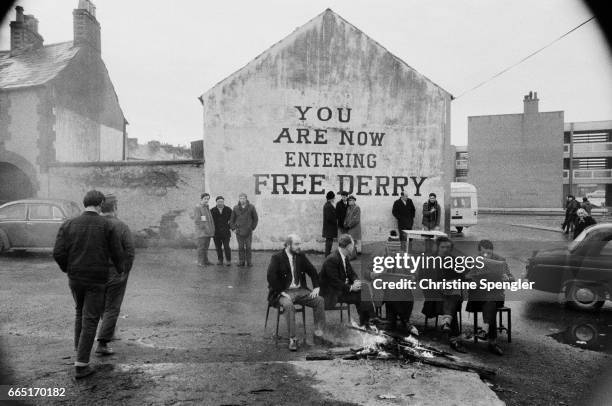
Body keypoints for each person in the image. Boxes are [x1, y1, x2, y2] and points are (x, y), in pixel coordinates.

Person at [53, 190, 124, 379]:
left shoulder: (69, 224)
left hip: (75, 278)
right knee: (91, 319)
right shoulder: (107, 225)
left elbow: (58, 253)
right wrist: (120, 268)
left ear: (84, 203)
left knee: (80, 312)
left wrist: (68, 269)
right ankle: (82, 365)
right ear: (100, 204)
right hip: (96, 279)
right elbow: (117, 253)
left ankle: (80, 350)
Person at [267, 234, 326, 351]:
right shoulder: (277, 257)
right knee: (289, 306)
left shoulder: (300, 256)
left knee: (319, 301)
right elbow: (270, 277)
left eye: (300, 244)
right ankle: (292, 339)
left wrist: (316, 287)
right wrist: (280, 292)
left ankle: (319, 335)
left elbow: (313, 271)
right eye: (297, 244)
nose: (299, 247)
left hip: (300, 290)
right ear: (288, 245)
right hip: (283, 292)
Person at [96, 194, 135, 356]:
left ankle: (107, 329)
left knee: (101, 304)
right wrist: (125, 270)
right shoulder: (121, 226)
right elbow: (130, 252)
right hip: (115, 272)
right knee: (112, 307)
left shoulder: (94, 225)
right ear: (115, 208)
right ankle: (103, 343)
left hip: (95, 271)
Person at [465, 240, 514, 356]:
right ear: (479, 252)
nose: (486, 256)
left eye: (489, 253)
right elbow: (465, 276)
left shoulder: (501, 260)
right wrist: (473, 277)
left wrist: (507, 278)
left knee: (491, 301)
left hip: (495, 297)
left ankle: (485, 331)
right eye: (483, 253)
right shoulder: (473, 260)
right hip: (478, 297)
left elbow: (512, 278)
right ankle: (492, 342)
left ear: (492, 251)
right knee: (490, 302)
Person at [420, 237, 466, 353]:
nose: (445, 250)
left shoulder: (454, 261)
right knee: (451, 304)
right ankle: (453, 338)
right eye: (443, 247)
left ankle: (446, 322)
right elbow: (422, 279)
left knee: (452, 295)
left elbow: (462, 278)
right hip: (434, 294)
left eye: (448, 247)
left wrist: (453, 282)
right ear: (437, 247)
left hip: (450, 293)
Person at [319, 234, 375, 329]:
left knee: (363, 287)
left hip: (341, 289)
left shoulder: (343, 256)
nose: (354, 247)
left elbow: (351, 273)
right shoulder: (332, 259)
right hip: (331, 294)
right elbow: (334, 282)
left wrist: (356, 281)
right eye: (353, 245)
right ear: (348, 246)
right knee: (360, 294)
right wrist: (351, 287)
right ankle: (368, 321)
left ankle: (368, 321)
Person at [230, 192, 258, 267]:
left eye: (243, 198)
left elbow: (255, 219)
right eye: (241, 198)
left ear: (246, 199)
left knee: (248, 247)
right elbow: (231, 220)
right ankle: (241, 261)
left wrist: (252, 227)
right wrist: (234, 229)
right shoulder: (235, 208)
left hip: (248, 231)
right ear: (239, 199)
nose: (242, 200)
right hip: (239, 231)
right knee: (241, 247)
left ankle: (249, 261)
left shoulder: (251, 207)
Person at [194, 193, 215, 266]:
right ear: (201, 199)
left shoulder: (206, 207)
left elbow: (208, 219)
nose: (206, 200)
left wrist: (210, 230)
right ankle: (200, 262)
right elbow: (197, 220)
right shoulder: (198, 207)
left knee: (205, 247)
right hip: (202, 233)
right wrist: (204, 228)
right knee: (201, 248)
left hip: (207, 232)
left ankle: (205, 261)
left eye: (207, 199)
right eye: (205, 199)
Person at [211, 196, 233, 266]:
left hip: (225, 232)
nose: (220, 203)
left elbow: (232, 220)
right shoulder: (212, 210)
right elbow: (210, 221)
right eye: (218, 201)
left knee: (226, 246)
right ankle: (220, 260)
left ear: (223, 202)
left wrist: (229, 227)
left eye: (221, 201)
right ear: (216, 202)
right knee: (218, 247)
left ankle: (228, 260)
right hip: (216, 232)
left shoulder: (228, 209)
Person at [322, 191, 338, 257]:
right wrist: (336, 220)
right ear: (331, 198)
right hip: (329, 227)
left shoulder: (328, 205)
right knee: (329, 242)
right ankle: (327, 255)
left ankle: (327, 255)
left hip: (328, 227)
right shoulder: (328, 206)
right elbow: (329, 217)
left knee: (329, 242)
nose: (334, 199)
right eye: (333, 198)